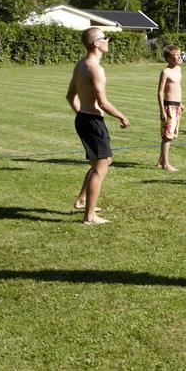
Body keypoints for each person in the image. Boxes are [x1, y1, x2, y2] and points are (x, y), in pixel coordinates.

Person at [66, 27, 130, 225]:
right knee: (100, 168)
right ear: (96, 43)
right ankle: (89, 216)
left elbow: (70, 96)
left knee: (104, 161)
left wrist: (82, 114)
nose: (108, 41)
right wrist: (122, 116)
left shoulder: (80, 65)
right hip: (92, 121)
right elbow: (103, 102)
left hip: (85, 118)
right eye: (105, 38)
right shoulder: (95, 68)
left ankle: (83, 200)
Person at [157, 45, 185, 172]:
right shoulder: (165, 72)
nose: (179, 56)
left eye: (180, 54)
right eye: (176, 55)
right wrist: (162, 110)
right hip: (168, 106)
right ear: (168, 58)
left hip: (176, 106)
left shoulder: (179, 69)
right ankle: (165, 164)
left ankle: (160, 161)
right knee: (167, 136)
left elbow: (177, 88)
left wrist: (180, 103)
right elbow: (160, 92)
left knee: (171, 135)